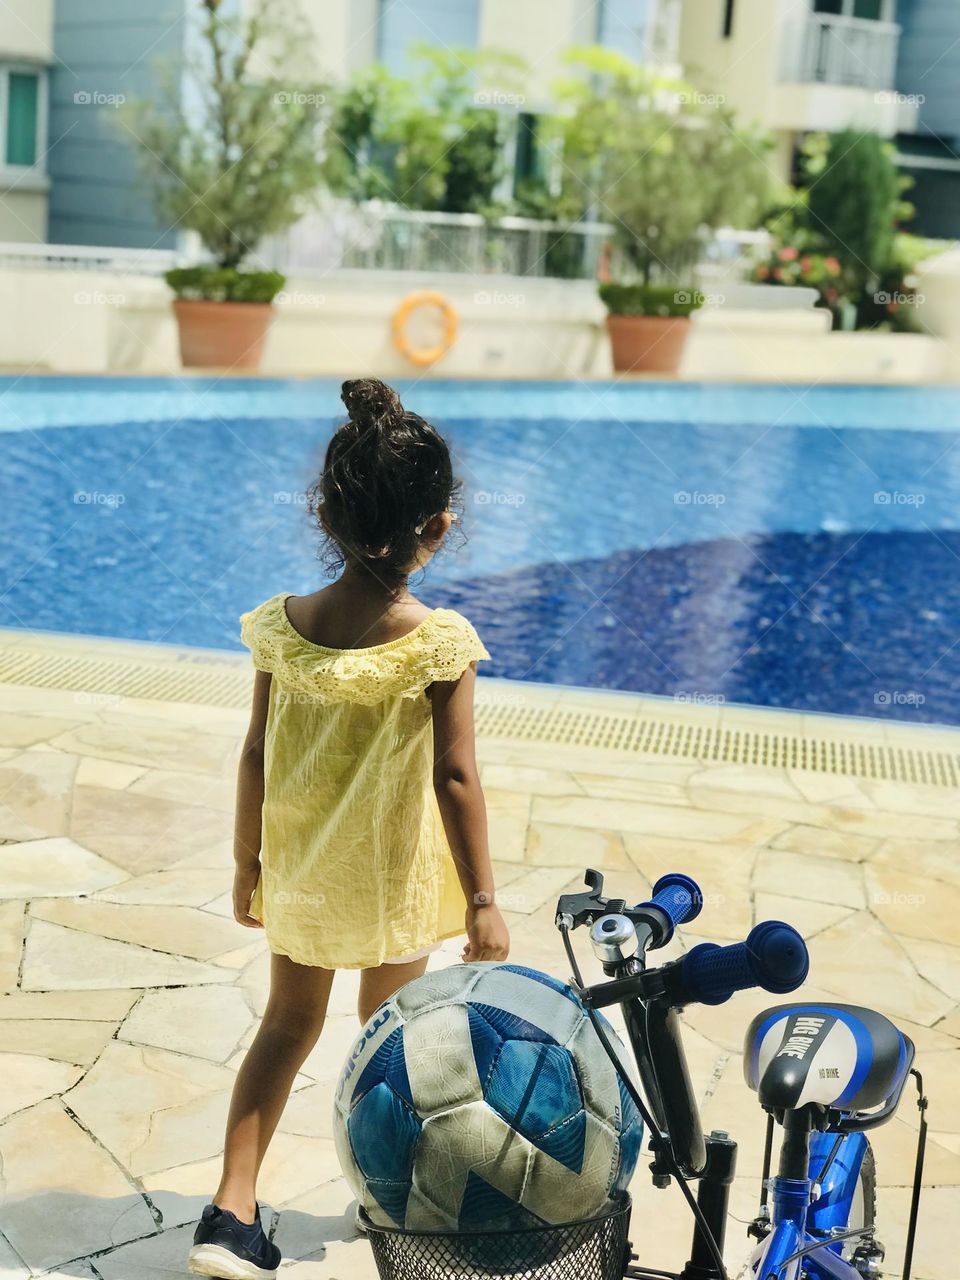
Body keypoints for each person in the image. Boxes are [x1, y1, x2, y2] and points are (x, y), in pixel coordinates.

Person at [187, 378, 509, 1279]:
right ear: (438, 527)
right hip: (387, 877)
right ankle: (389, 1192)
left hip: (300, 866)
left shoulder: (284, 627)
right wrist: (485, 899)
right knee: (389, 1038)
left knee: (286, 1027)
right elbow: (454, 776)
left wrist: (247, 862)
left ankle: (229, 1211)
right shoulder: (437, 640)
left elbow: (254, 753)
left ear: (326, 514)